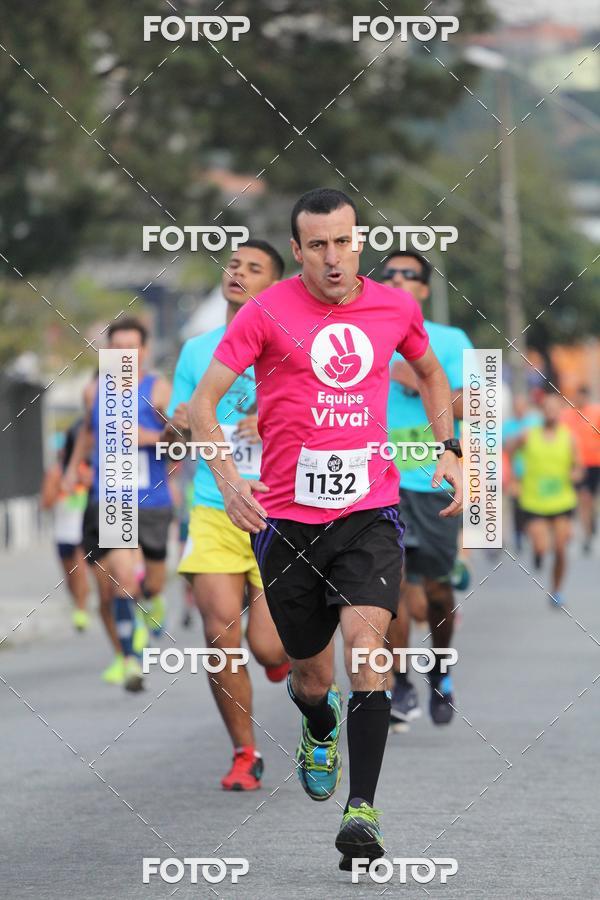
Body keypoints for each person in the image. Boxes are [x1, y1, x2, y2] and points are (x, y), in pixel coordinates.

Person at [189, 188, 463, 868]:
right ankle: (317, 721)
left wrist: (450, 449)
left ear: (358, 239)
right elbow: (202, 404)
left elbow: (430, 373)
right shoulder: (265, 311)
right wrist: (227, 481)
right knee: (312, 675)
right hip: (285, 520)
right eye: (317, 245)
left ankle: (361, 813)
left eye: (343, 241)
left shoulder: (395, 306)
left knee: (367, 650)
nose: (333, 258)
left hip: (369, 511)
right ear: (300, 249)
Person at [164, 240, 290, 791]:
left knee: (268, 646)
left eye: (253, 268)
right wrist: (176, 427)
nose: (237, 272)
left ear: (277, 284)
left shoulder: (295, 345)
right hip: (216, 507)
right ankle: (245, 753)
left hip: (281, 510)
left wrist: (272, 421)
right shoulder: (198, 351)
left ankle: (288, 664)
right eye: (233, 264)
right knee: (220, 633)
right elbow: (182, 425)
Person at [380, 251, 472, 730]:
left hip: (431, 479)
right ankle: (398, 683)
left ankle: (440, 670)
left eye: (407, 275)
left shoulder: (450, 339)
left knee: (436, 594)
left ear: (424, 288)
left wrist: (417, 380)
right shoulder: (366, 332)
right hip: (379, 483)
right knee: (390, 590)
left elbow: (476, 399)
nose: (396, 280)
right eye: (388, 273)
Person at [63, 317, 173, 689]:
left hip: (153, 500)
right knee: (122, 580)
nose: (124, 353)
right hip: (112, 497)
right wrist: (73, 468)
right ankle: (130, 659)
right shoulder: (95, 391)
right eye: (117, 346)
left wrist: (147, 437)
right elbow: (88, 433)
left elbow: (182, 441)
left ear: (143, 351)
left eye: (132, 346)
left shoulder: (158, 390)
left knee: (152, 584)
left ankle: (154, 602)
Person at [512, 391, 581, 606]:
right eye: (547, 408)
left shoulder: (569, 437)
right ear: (542, 411)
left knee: (560, 548)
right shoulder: (528, 434)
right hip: (534, 500)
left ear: (560, 412)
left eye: (555, 408)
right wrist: (515, 477)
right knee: (542, 546)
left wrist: (574, 474)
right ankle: (538, 553)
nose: (551, 412)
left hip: (562, 500)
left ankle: (557, 590)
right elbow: (510, 451)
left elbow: (579, 467)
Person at [40, 421, 91, 631]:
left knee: (80, 573)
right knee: (70, 577)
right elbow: (45, 503)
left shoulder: (89, 470)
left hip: (82, 531)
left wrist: (86, 482)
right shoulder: (55, 473)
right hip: (63, 534)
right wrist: (61, 487)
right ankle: (77, 601)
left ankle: (81, 608)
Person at [561, 386, 600, 553]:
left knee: (589, 500)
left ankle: (589, 530)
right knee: (579, 498)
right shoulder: (567, 415)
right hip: (575, 463)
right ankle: (583, 533)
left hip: (593, 463)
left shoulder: (596, 412)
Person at [503, 394, 542, 552]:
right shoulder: (507, 425)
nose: (519, 409)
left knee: (533, 505)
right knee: (517, 505)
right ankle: (518, 533)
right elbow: (503, 447)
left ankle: (533, 534)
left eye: (522, 406)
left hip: (533, 473)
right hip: (515, 472)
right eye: (516, 406)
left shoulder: (534, 422)